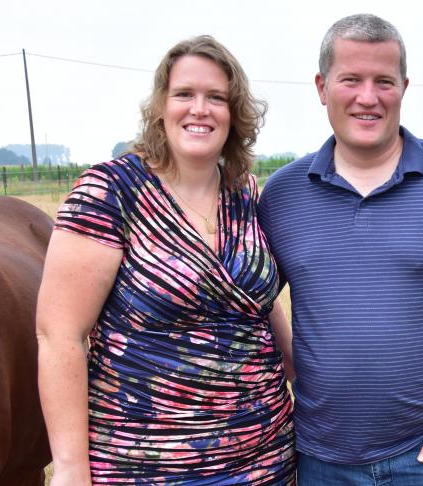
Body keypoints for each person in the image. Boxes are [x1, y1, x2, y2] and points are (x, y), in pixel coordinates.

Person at [258, 14, 423, 485]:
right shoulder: (282, 196)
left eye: (384, 81)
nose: (368, 97)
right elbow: (247, 302)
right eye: (350, 80)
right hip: (320, 458)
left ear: (404, 87)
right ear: (321, 86)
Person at [36, 35, 295, 485]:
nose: (200, 108)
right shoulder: (110, 193)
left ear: (234, 113)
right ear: (160, 105)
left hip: (265, 458)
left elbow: (259, 300)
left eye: (216, 97)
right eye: (184, 94)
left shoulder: (247, 193)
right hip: (145, 465)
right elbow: (60, 335)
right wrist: (71, 467)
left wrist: (304, 377)